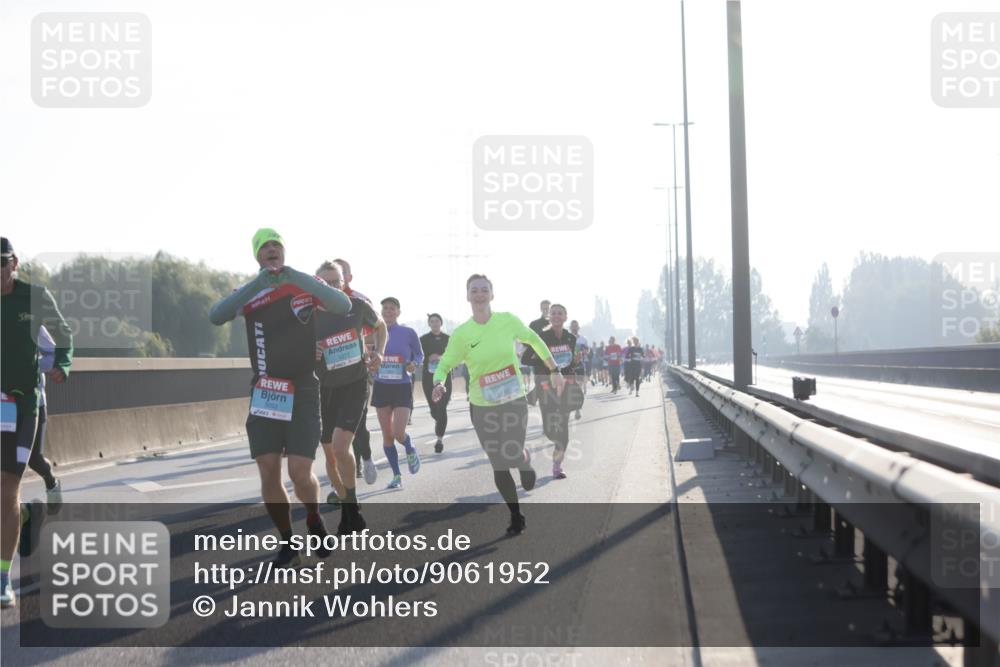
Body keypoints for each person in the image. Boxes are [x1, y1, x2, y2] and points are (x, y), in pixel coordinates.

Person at [209, 229, 351, 567]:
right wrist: (259, 283)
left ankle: (313, 517)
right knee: (268, 469)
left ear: (284, 252)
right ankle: (287, 541)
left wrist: (296, 277)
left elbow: (342, 304)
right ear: (257, 255)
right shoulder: (249, 291)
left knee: (300, 472)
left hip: (303, 387)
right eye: (265, 247)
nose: (272, 250)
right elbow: (217, 315)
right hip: (266, 390)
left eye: (277, 245)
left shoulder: (304, 285)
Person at [431, 275, 563, 535]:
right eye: (474, 291)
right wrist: (439, 383)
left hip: (513, 399)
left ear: (492, 295)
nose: (479, 294)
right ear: (467, 297)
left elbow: (534, 340)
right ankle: (515, 515)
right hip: (482, 405)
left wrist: (554, 369)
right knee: (498, 462)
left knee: (512, 452)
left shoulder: (507, 320)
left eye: (484, 290)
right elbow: (445, 364)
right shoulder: (462, 334)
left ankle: (523, 462)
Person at [1, 237, 74, 608]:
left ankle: (2, 578)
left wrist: (62, 364)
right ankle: (25, 513)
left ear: (14, 264)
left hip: (23, 403)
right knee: (6, 496)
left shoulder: (34, 297)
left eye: (1, 264)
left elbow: (63, 335)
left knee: (8, 485)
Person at [313, 261, 386, 533]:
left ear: (344, 283)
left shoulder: (357, 306)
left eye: (336, 281)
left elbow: (380, 326)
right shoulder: (308, 315)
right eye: (326, 282)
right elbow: (294, 347)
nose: (332, 286)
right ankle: (350, 511)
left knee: (341, 447)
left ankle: (351, 510)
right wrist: (310, 350)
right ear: (316, 284)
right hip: (323, 388)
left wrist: (379, 353)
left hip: (355, 384)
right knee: (330, 454)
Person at [332, 258, 377, 484]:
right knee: (334, 428)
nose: (334, 281)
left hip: (358, 372)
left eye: (341, 274)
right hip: (330, 375)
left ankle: (364, 458)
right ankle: (346, 467)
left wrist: (372, 352)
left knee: (358, 424)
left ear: (348, 277)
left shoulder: (360, 301)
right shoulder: (319, 301)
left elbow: (375, 329)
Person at [524, 304, 582, 479]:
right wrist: (548, 365)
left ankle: (557, 466)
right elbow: (526, 358)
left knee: (563, 431)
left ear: (565, 317)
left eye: (560, 313)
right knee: (550, 430)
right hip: (546, 385)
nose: (556, 316)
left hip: (565, 387)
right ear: (549, 316)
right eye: (553, 313)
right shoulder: (542, 337)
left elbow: (570, 364)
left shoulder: (570, 338)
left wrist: (575, 362)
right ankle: (550, 447)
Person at [372, 297, 423, 490]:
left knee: (398, 433)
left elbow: (419, 355)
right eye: (385, 308)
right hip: (381, 386)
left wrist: (414, 364)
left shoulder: (408, 332)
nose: (388, 311)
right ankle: (396, 476)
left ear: (398, 312)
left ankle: (409, 447)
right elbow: (367, 352)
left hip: (401, 386)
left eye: (392, 308)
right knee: (387, 436)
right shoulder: (374, 332)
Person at [28, 326, 62, 511]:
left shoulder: (30, 321)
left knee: (34, 459)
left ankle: (51, 483)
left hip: (33, 403)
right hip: (5, 404)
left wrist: (27, 366)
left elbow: (53, 356)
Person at [420, 314, 451, 453]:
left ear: (441, 323)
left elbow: (454, 355)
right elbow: (418, 356)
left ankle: (439, 440)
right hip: (428, 378)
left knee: (442, 407)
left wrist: (440, 357)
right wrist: (428, 358)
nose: (434, 323)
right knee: (434, 410)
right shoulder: (423, 339)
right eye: (432, 321)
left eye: (437, 321)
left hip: (445, 378)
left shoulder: (448, 339)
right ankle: (440, 421)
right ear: (429, 324)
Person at [568, 319, 589, 419]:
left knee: (579, 387)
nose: (574, 327)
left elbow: (587, 351)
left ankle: (577, 410)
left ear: (578, 327)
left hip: (580, 365)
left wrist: (584, 352)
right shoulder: (566, 338)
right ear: (570, 327)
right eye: (573, 326)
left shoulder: (583, 339)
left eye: (576, 326)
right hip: (569, 366)